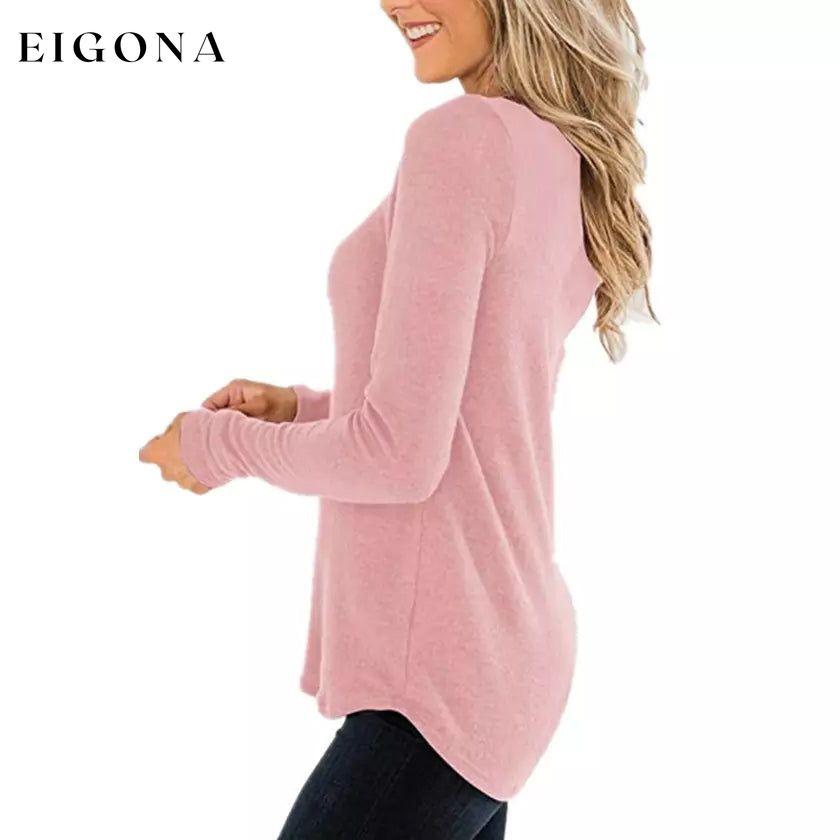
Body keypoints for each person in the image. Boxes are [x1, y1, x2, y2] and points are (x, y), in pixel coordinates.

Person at [139, 0, 653, 836]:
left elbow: (399, 456)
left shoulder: (464, 139)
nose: (393, 3)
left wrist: (214, 445)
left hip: (440, 682)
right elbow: (473, 412)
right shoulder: (555, 152)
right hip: (500, 657)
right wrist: (301, 409)